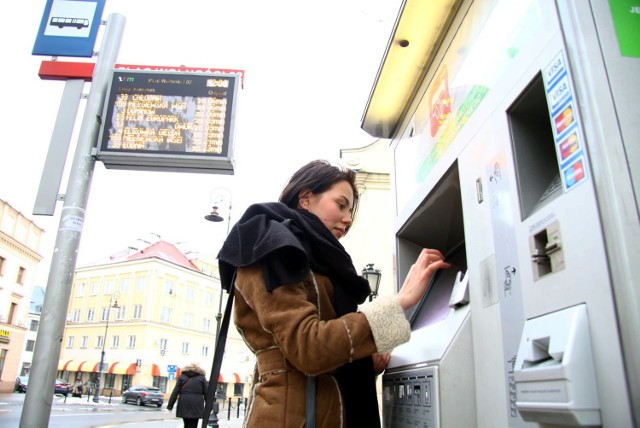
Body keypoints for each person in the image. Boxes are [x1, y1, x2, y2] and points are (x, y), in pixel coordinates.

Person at [217, 159, 450, 427]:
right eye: (340, 205)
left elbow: (326, 342)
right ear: (305, 198)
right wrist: (399, 301)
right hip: (294, 417)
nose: (348, 218)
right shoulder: (272, 245)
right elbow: (307, 347)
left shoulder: (321, 260)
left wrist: (361, 358)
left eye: (350, 210)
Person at [167, 363, 208, 428]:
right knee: (194, 423)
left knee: (186, 423)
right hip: (196, 403)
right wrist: (209, 406)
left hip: (184, 402)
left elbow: (175, 392)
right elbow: (206, 392)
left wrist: (170, 405)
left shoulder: (182, 376)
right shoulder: (202, 378)